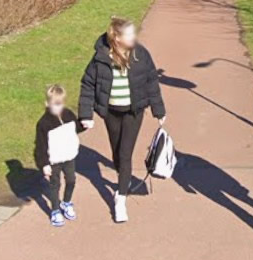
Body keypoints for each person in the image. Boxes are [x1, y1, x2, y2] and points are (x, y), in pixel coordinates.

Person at [79, 16, 166, 223]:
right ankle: (123, 178)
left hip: (133, 112)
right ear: (116, 38)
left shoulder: (141, 54)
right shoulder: (100, 57)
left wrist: (159, 110)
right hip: (111, 112)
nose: (134, 37)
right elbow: (88, 84)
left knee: (125, 154)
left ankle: (120, 199)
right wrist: (86, 114)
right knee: (117, 153)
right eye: (129, 34)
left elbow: (151, 80)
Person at [34, 84, 86, 227]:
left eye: (61, 104)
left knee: (71, 180)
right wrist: (44, 164)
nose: (58, 107)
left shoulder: (68, 114)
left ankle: (66, 202)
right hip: (54, 159)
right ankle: (55, 210)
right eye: (55, 104)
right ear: (47, 104)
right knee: (54, 185)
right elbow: (40, 146)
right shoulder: (43, 124)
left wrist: (84, 124)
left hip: (68, 156)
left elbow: (76, 127)